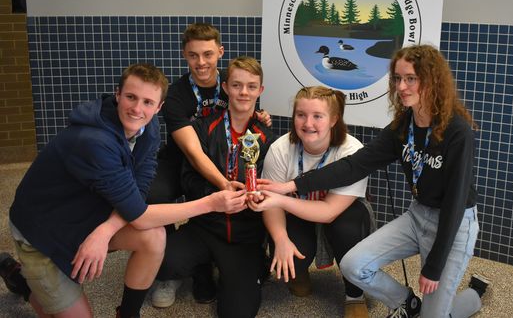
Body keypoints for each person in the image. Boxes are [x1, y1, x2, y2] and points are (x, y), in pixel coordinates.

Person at [258, 45, 490, 318]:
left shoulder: (457, 131)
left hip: (454, 224)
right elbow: (354, 166)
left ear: (431, 79)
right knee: (353, 266)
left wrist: (434, 266)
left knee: (435, 315)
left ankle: (474, 294)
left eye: (410, 78)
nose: (401, 86)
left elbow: (455, 201)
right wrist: (292, 185)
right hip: (418, 217)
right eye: (397, 78)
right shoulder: (405, 125)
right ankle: (407, 303)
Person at [8, 63, 247, 318]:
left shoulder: (148, 127)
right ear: (117, 94)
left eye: (147, 102)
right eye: (131, 97)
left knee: (154, 236)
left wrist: (106, 229)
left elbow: (140, 187)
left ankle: (128, 314)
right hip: (42, 233)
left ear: (158, 108)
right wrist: (211, 203)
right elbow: (139, 214)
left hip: (87, 215)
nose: (137, 109)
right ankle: (19, 278)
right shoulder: (94, 142)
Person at [147, 22, 271, 307]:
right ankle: (187, 266)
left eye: (207, 54)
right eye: (193, 55)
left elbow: (246, 107)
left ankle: (244, 257)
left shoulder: (232, 82)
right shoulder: (177, 94)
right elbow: (193, 153)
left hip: (223, 157)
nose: (201, 62)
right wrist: (222, 185)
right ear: (184, 55)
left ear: (219, 52)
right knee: (154, 195)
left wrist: (260, 118)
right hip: (185, 157)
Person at [249, 86, 374, 318]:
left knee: (348, 226)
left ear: (334, 119)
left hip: (340, 215)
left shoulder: (351, 150)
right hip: (299, 213)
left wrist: (279, 199)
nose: (308, 123)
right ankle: (300, 271)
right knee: (288, 260)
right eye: (301, 115)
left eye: (318, 116)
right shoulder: (280, 149)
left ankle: (355, 293)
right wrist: (281, 239)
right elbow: (271, 205)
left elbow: (329, 211)